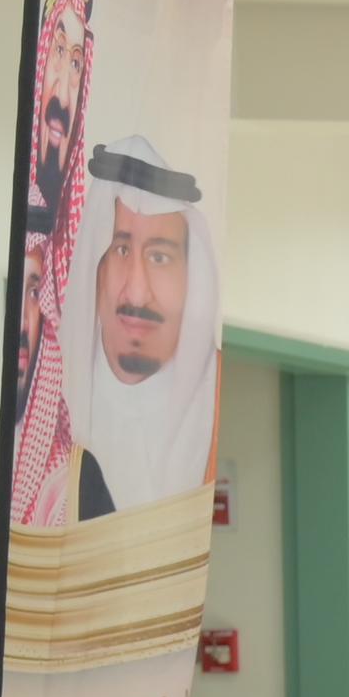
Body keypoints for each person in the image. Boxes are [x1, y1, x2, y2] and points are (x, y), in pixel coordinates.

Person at [66, 136, 219, 518]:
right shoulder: (55, 393)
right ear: (97, 267)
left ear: (191, 276)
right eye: (120, 250)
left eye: (159, 257)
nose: (137, 292)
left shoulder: (217, 392)